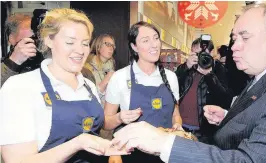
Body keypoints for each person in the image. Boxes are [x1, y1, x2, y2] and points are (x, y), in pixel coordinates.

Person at [112, 4, 266, 163]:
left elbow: (250, 160)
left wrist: (163, 142)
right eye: (234, 38)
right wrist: (228, 116)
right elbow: (263, 117)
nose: (234, 47)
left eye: (244, 37)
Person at [0, 8, 128, 163]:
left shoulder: (88, 85)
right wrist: (78, 143)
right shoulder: (20, 87)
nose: (80, 51)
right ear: (48, 40)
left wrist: (112, 149)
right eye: (70, 42)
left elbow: (98, 128)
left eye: (85, 43)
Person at [103, 21, 182, 163]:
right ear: (134, 47)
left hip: (166, 154)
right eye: (145, 40)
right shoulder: (120, 77)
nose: (154, 44)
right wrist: (120, 118)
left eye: (156, 38)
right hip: (133, 156)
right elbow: (106, 122)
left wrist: (178, 125)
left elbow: (176, 114)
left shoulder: (171, 77)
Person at [175, 38, 231, 144]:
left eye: (203, 54)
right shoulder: (187, 68)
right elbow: (171, 87)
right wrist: (185, 67)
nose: (200, 57)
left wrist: (209, 75)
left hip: (204, 132)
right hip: (181, 127)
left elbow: (225, 99)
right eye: (196, 53)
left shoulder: (219, 69)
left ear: (211, 53)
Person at [1, 13, 43, 85]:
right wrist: (14, 62)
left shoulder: (46, 61)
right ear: (11, 38)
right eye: (30, 39)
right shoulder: (4, 66)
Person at [84, 34, 116, 106]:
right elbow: (87, 99)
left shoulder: (111, 68)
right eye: (108, 44)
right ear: (98, 46)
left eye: (113, 46)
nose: (111, 48)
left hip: (107, 113)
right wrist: (104, 83)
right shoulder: (86, 69)